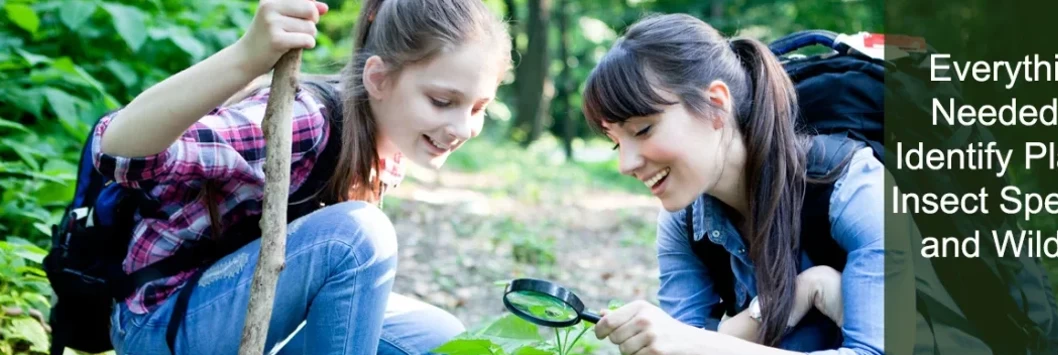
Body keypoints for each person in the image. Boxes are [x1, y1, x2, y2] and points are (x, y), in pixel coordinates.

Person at [91, 0, 512, 353]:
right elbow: (118, 154)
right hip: (161, 324)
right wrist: (246, 56)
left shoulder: (388, 152)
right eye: (442, 101)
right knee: (358, 235)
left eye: (478, 108)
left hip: (240, 315)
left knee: (441, 339)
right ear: (379, 79)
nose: (461, 128)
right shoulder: (304, 121)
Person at [580, 13, 883, 355]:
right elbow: (682, 345)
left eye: (642, 130)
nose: (626, 164)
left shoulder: (853, 188)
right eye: (618, 143)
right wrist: (798, 292)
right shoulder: (686, 223)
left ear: (715, 105)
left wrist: (691, 342)